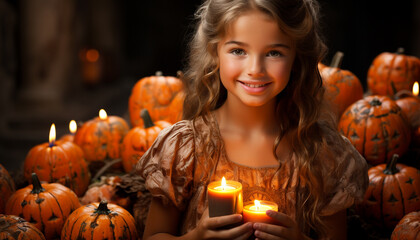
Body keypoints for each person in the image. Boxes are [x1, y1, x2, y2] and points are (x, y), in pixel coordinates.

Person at [135, 0, 369, 239]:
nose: (255, 69)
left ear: (297, 58)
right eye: (238, 51)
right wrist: (197, 237)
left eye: (274, 53)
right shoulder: (185, 147)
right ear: (215, 52)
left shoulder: (323, 153)